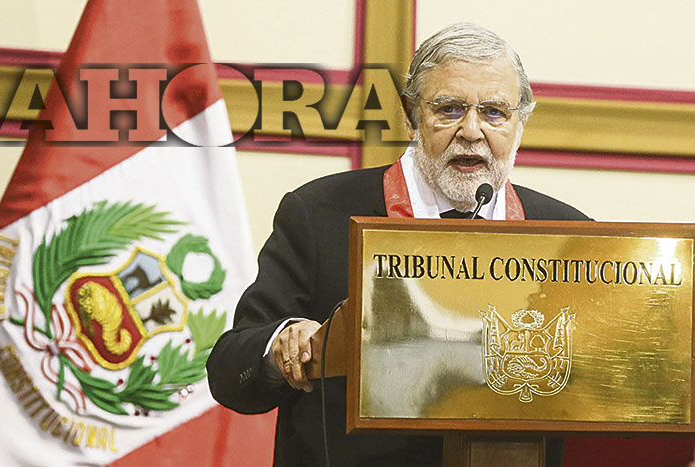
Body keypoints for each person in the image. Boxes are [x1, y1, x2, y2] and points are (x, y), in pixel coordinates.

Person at [207, 22, 589, 467]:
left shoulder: (569, 236)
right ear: (410, 115)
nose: (471, 130)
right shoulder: (319, 213)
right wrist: (281, 347)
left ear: (520, 122)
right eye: (449, 109)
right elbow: (230, 370)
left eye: (494, 112)